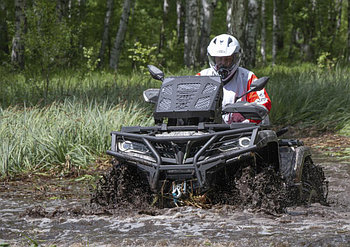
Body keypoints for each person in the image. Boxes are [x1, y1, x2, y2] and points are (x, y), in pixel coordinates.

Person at [197, 34, 271, 124]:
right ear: (213, 58)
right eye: (219, 59)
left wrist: (248, 119)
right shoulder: (202, 77)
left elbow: (264, 103)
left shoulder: (247, 77)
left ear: (235, 59)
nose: (223, 63)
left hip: (240, 131)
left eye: (227, 59)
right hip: (206, 130)